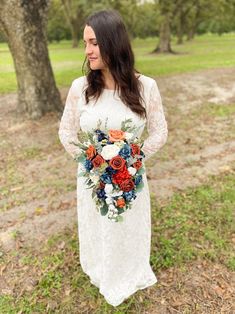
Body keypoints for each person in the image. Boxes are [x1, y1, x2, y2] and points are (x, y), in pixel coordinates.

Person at [58, 9, 168, 307]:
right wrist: (91, 162)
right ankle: (101, 268)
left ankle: (128, 269)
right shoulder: (80, 89)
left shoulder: (146, 87)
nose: (87, 51)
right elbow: (66, 133)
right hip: (93, 179)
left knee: (126, 225)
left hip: (130, 179)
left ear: (111, 42)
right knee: (98, 224)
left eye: (93, 42)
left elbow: (159, 133)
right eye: (85, 44)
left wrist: (133, 160)